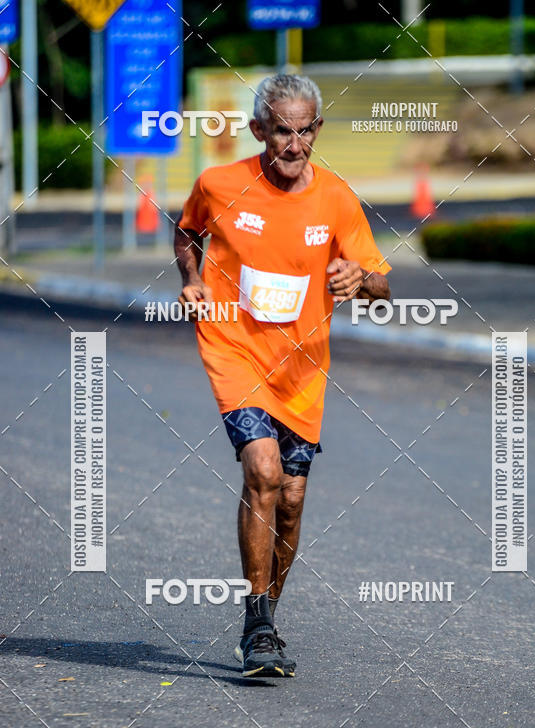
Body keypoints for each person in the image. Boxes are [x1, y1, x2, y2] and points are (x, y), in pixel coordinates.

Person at [174, 73, 391, 678]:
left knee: (291, 500)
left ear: (317, 129)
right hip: (233, 345)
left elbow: (380, 281)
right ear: (257, 132)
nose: (293, 147)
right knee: (263, 471)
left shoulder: (337, 198)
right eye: (280, 134)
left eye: (304, 132)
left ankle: (267, 613)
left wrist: (362, 282)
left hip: (302, 366)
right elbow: (187, 233)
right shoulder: (219, 185)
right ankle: (257, 624)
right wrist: (190, 281)